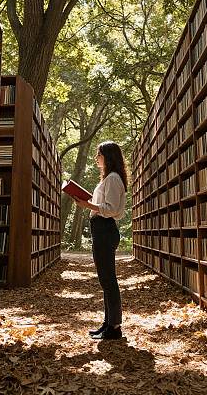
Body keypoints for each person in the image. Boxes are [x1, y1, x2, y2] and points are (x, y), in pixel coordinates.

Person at [73, 141, 127, 340]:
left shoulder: (113, 178)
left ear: (108, 157)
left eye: (99, 155)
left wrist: (87, 205)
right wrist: (88, 203)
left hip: (105, 230)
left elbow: (111, 209)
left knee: (108, 280)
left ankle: (114, 327)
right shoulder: (110, 178)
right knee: (106, 280)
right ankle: (108, 323)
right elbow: (104, 205)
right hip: (101, 230)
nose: (96, 159)